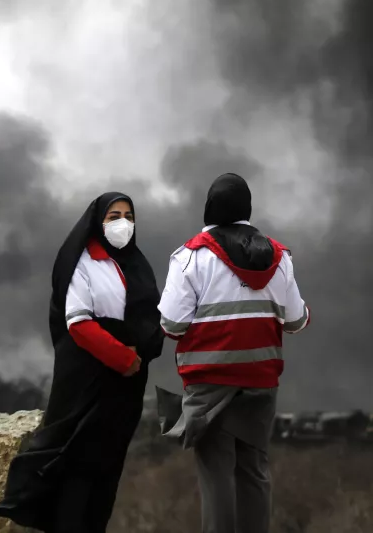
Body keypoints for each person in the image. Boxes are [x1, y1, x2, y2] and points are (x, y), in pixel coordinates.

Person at [0, 192, 164, 533]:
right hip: (87, 381)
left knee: (106, 467)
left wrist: (143, 350)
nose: (123, 224)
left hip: (126, 386)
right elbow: (78, 323)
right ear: (98, 220)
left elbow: (151, 317)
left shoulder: (136, 265)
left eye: (129, 216)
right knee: (75, 464)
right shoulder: (82, 262)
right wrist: (124, 357)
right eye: (113, 216)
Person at [156, 173, 310, 533]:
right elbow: (296, 320)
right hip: (260, 382)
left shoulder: (190, 258)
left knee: (216, 477)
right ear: (247, 208)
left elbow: (172, 325)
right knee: (254, 472)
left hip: (210, 385)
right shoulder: (279, 256)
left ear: (210, 208)